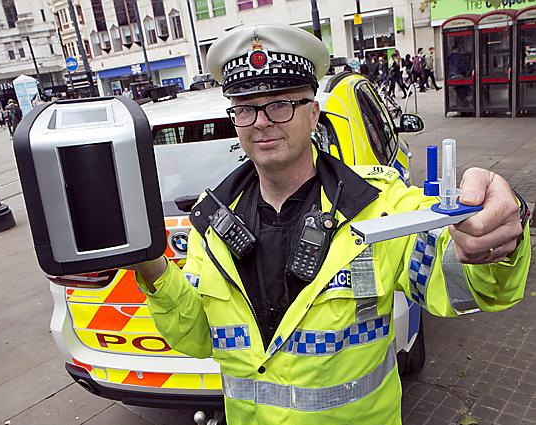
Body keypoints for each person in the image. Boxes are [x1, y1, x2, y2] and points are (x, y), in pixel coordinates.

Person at [128, 24, 530, 425]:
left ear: (313, 113)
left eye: (281, 104)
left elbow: (466, 285)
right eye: (246, 107)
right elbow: (198, 335)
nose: (262, 122)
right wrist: (150, 264)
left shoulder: (380, 206)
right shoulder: (212, 221)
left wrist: (497, 240)